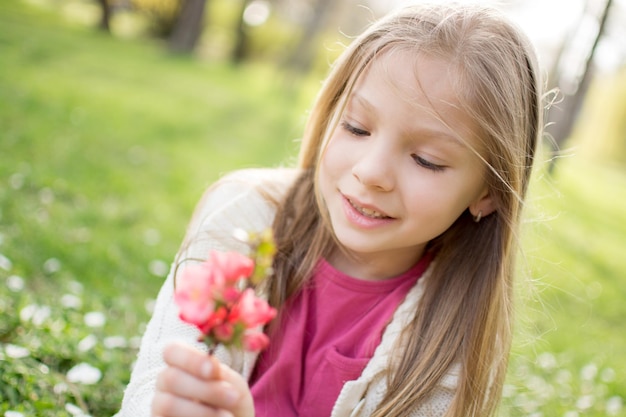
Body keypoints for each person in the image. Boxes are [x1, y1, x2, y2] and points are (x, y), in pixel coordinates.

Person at [116, 3, 543, 417]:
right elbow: (153, 385)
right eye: (356, 127)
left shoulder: (453, 337)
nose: (371, 172)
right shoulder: (242, 217)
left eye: (426, 160)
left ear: (488, 192)